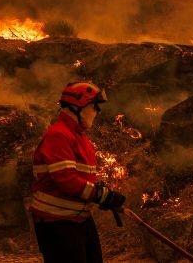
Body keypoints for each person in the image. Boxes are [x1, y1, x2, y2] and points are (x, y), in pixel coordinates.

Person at [29, 81, 126, 263]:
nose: (97, 111)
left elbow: (81, 179)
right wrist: (100, 195)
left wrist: (103, 195)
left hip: (79, 219)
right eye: (94, 106)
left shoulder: (79, 137)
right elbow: (66, 180)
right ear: (77, 106)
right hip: (56, 223)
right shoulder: (59, 135)